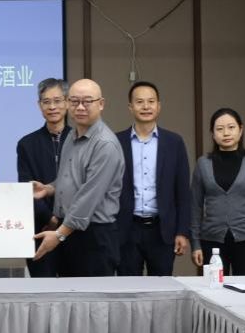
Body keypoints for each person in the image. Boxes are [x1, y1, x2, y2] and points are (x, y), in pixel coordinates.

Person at [31, 78, 125, 277]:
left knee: (92, 296)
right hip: (70, 232)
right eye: (74, 101)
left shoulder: (105, 144)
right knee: (70, 294)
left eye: (87, 101)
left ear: (101, 104)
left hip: (94, 236)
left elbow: (88, 197)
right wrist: (49, 189)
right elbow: (70, 179)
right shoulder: (72, 135)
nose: (80, 107)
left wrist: (59, 234)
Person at [115, 81, 192, 276]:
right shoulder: (116, 142)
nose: (146, 106)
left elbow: (183, 192)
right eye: (139, 102)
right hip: (127, 229)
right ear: (130, 107)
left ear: (159, 106)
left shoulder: (174, 142)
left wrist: (182, 232)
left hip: (162, 230)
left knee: (163, 287)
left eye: (151, 101)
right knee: (127, 287)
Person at [191, 107, 245, 276]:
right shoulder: (203, 164)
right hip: (211, 240)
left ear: (240, 130)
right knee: (213, 287)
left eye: (231, 127)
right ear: (213, 134)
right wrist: (195, 244)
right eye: (219, 129)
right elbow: (195, 207)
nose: (226, 133)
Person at [16, 78, 70, 278]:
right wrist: (51, 219)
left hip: (75, 231)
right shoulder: (27, 144)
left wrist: (64, 223)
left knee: (76, 289)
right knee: (42, 289)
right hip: (39, 229)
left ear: (67, 102)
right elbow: (26, 188)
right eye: (46, 102)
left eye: (57, 100)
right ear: (39, 106)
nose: (52, 107)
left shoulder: (81, 140)